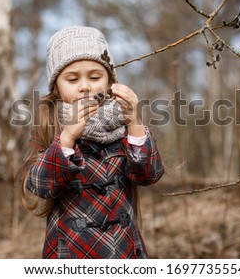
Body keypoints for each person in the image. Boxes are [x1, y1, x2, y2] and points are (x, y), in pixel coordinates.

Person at [18, 26, 164, 259]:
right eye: (72, 79)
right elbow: (39, 186)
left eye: (95, 77)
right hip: (72, 253)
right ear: (56, 87)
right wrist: (66, 139)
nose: (85, 85)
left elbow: (149, 175)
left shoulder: (122, 122)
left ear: (109, 82)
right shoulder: (49, 123)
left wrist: (134, 122)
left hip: (124, 252)